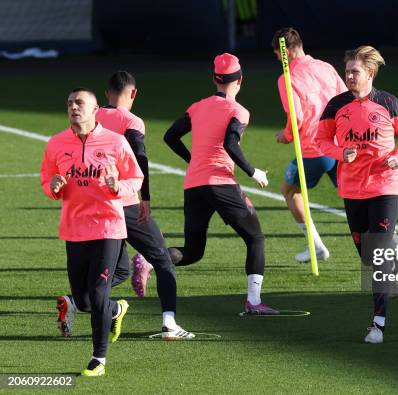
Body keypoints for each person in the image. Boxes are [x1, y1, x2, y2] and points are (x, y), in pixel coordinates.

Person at [56, 71, 194, 341]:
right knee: (163, 261)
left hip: (96, 207)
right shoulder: (132, 121)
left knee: (119, 270)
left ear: (106, 95)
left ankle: (78, 302)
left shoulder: (93, 117)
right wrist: (145, 197)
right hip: (126, 203)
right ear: (133, 94)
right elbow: (139, 156)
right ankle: (169, 323)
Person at [317, 46, 398, 343]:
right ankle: (397, 261)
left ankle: (378, 324)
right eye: (347, 71)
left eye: (355, 72)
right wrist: (339, 152)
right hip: (352, 189)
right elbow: (321, 139)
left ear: (370, 73)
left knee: (378, 255)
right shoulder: (336, 106)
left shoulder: (389, 103)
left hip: (385, 186)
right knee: (367, 256)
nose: (349, 76)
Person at [164, 53, 278, 315]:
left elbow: (171, 136)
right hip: (220, 183)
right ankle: (253, 302)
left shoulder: (197, 106)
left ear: (215, 79)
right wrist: (253, 172)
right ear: (240, 80)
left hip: (194, 184)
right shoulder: (238, 111)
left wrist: (192, 160)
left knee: (192, 252)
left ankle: (150, 261)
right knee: (256, 238)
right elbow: (230, 143)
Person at [41, 88, 144, 376]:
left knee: (98, 294)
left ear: (96, 109)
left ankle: (99, 358)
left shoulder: (116, 142)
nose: (74, 107)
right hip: (74, 230)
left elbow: (135, 178)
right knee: (84, 300)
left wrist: (117, 187)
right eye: (70, 103)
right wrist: (54, 188)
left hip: (108, 227)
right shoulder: (56, 144)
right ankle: (115, 310)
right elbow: (46, 180)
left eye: (80, 103)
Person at [271, 27, 347, 263]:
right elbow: (346, 99)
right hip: (340, 143)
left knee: (290, 190)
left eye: (277, 55)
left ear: (286, 52)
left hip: (315, 147)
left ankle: (316, 246)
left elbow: (297, 119)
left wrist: (285, 136)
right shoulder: (325, 66)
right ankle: (394, 246)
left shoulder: (287, 78)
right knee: (359, 197)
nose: (276, 60)